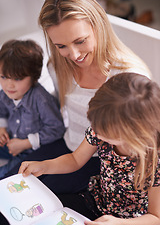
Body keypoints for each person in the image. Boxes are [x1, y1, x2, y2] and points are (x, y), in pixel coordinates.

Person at [3, 0, 151, 193]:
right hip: (67, 146)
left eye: (80, 41)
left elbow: (141, 146)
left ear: (97, 26)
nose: (73, 55)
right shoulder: (58, 67)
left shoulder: (128, 78)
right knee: (8, 189)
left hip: (103, 163)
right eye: (61, 46)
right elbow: (51, 114)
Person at [19, 73, 160, 224]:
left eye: (104, 132)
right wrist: (44, 166)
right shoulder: (100, 130)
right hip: (96, 202)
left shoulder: (154, 160)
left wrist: (120, 223)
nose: (97, 132)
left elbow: (155, 217)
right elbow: (75, 159)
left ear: (133, 133)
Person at [0, 39, 65, 179]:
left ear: (34, 77)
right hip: (10, 141)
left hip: (31, 151)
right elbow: (2, 110)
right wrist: (2, 128)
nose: (9, 85)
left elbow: (56, 129)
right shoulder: (5, 94)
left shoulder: (41, 99)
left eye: (17, 79)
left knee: (7, 175)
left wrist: (25, 144)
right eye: (4, 77)